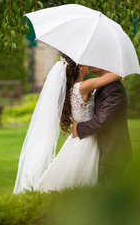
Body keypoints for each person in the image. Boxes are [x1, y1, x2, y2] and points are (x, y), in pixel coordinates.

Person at [13, 54, 120, 193]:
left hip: (76, 138)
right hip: (87, 138)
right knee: (82, 183)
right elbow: (116, 75)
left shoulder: (70, 90)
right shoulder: (84, 86)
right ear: (79, 67)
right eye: (84, 61)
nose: (89, 63)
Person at [71, 66, 132, 184]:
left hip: (112, 152)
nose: (90, 64)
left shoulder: (113, 88)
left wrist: (78, 128)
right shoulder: (101, 85)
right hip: (102, 150)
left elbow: (101, 120)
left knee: (107, 192)